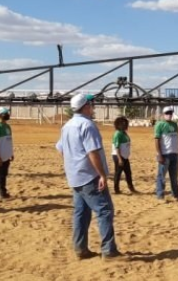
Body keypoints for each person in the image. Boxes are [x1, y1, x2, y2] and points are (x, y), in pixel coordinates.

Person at [56, 94, 122, 261]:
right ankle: (109, 251)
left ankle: (81, 249)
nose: (93, 106)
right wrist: (101, 174)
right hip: (89, 176)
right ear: (85, 106)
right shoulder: (87, 125)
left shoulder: (67, 126)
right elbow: (92, 152)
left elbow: (60, 148)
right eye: (91, 104)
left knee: (81, 212)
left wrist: (73, 162)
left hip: (75, 176)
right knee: (105, 210)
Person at [154, 106, 178, 201]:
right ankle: (160, 196)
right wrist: (159, 154)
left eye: (171, 113)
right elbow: (156, 140)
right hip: (165, 155)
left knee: (174, 177)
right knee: (161, 177)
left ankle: (176, 195)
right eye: (167, 113)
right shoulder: (159, 125)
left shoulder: (175, 125)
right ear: (163, 114)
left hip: (174, 154)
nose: (169, 115)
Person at [112, 116, 136, 194]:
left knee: (128, 172)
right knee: (118, 173)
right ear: (118, 124)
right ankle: (116, 189)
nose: (124, 124)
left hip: (124, 156)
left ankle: (131, 187)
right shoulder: (118, 134)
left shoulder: (124, 132)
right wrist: (119, 159)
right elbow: (117, 147)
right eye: (122, 123)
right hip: (119, 156)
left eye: (125, 123)